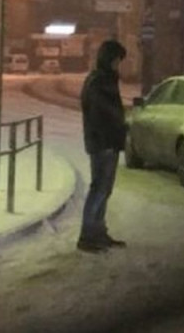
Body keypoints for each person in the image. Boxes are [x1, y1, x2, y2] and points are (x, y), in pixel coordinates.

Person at [77, 40, 128, 253]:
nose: (118, 64)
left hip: (105, 142)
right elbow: (104, 113)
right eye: (117, 60)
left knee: (103, 189)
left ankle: (98, 232)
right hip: (103, 143)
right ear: (109, 59)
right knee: (99, 189)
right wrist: (118, 127)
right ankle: (88, 236)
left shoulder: (101, 79)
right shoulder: (100, 81)